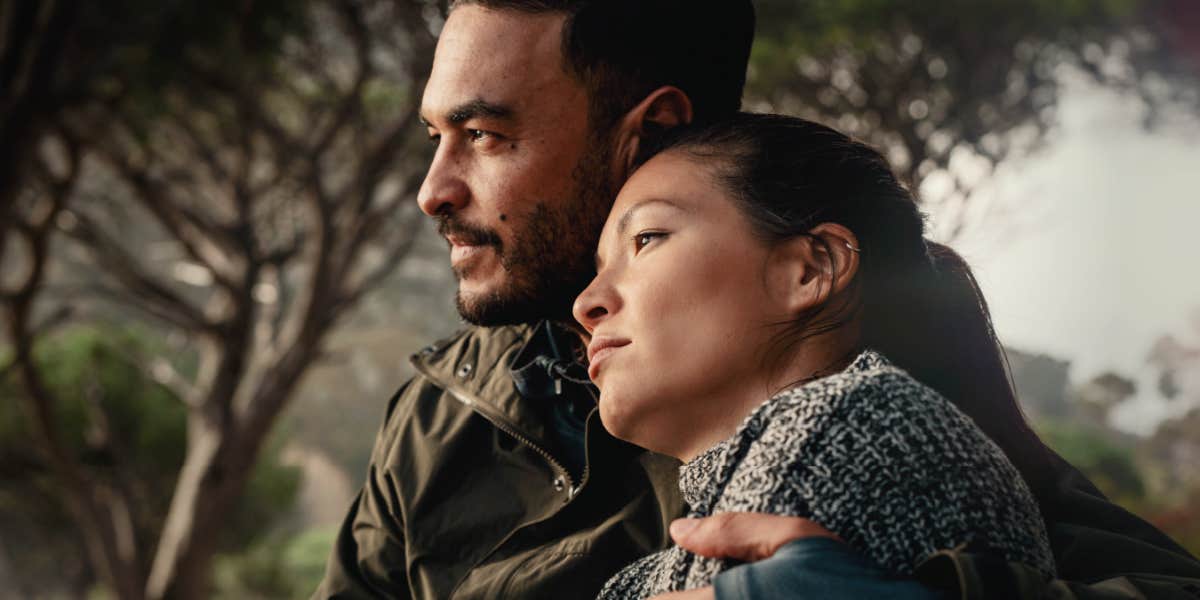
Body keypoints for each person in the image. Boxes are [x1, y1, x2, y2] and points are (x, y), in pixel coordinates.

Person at [314, 1, 1200, 598]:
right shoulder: (438, 416)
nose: (434, 189)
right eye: (437, 136)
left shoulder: (862, 404)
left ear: (653, 129)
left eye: (484, 135)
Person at [575, 113, 1056, 598]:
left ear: (809, 268)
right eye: (599, 268)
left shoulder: (848, 423)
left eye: (646, 239)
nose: (586, 304)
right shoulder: (644, 573)